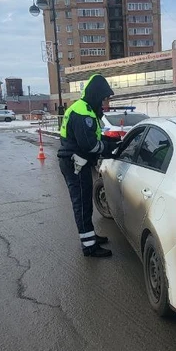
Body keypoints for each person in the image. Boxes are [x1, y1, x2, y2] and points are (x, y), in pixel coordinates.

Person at [57, 74, 117, 258]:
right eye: (104, 98)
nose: (105, 102)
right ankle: (89, 247)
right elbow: (89, 145)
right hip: (75, 164)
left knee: (85, 203)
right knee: (82, 205)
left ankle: (89, 236)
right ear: (96, 94)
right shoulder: (83, 113)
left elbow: (92, 137)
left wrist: (108, 139)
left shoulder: (85, 108)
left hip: (76, 162)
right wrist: (108, 147)